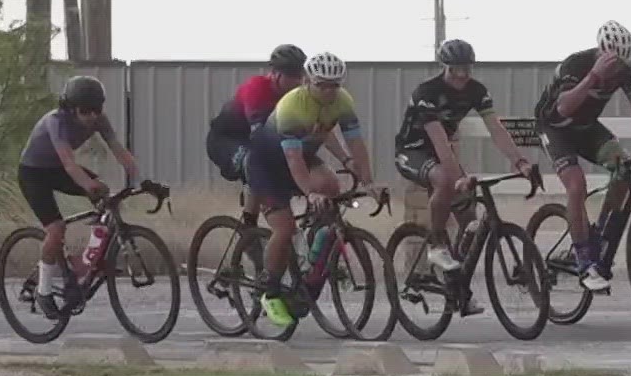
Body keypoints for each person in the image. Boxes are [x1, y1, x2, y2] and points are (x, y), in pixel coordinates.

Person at [244, 52, 390, 327]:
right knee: (285, 229)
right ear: (309, 81)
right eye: (322, 84)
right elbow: (293, 160)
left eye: (334, 85)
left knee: (331, 186)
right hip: (268, 165)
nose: (328, 91)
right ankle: (268, 288)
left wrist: (369, 182)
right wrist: (310, 193)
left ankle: (314, 253)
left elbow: (356, 144)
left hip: (303, 156)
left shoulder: (343, 102)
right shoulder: (292, 107)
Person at [533, 20, 631, 291]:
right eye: (615, 66)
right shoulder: (575, 65)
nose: (619, 72)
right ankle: (585, 261)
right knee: (577, 186)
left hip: (586, 128)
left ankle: (597, 238)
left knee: (624, 169)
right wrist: (593, 78)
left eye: (625, 65)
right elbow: (563, 109)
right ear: (603, 55)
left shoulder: (623, 71)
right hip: (555, 128)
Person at [393, 39, 538, 295]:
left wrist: (521, 161)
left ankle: (456, 283)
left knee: (469, 219)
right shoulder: (426, 92)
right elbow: (438, 140)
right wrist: (458, 177)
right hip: (412, 151)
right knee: (444, 179)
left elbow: (497, 129)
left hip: (441, 152)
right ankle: (436, 245)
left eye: (466, 70)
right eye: (455, 71)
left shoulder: (477, 90)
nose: (461, 77)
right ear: (444, 67)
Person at [17, 75, 139, 317]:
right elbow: (70, 165)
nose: (92, 116)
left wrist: (138, 177)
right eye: (85, 111)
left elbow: (119, 150)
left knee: (106, 195)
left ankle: (84, 261)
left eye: (97, 110)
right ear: (70, 109)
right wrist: (88, 185)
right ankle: (43, 291)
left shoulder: (98, 120)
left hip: (57, 169)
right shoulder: (56, 122)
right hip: (34, 173)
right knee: (56, 229)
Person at [205, 44, 306, 217]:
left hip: (251, 140)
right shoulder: (257, 88)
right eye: (292, 77)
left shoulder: (295, 95)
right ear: (276, 74)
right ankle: (250, 227)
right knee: (256, 162)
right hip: (225, 140)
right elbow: (260, 136)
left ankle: (252, 226)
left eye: (300, 76)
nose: (298, 82)